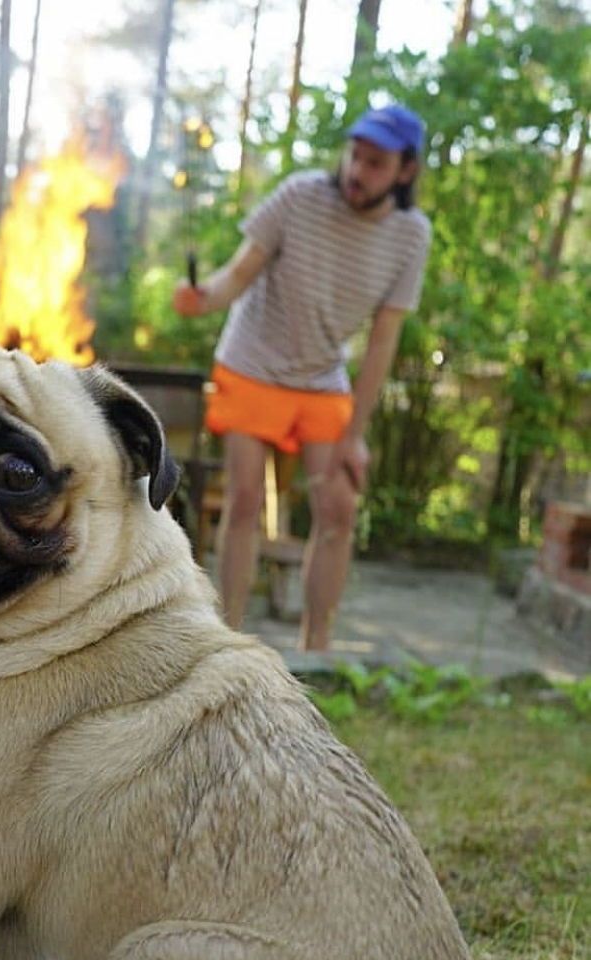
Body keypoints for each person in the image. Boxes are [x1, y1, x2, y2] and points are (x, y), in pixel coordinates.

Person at [173, 103, 431, 651]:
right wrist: (203, 300)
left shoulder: (412, 235)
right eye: (355, 156)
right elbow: (236, 276)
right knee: (243, 499)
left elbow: (383, 341)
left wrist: (354, 436)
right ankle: (229, 645)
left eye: (376, 163)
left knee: (338, 509)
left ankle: (318, 650)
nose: (357, 171)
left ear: (405, 171)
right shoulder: (299, 195)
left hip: (322, 377)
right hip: (253, 361)